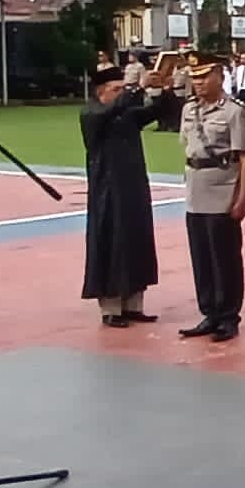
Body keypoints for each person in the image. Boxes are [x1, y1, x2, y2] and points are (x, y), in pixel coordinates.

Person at [80, 62, 172, 327]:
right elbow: (111, 112)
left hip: (133, 187)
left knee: (136, 240)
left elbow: (158, 112)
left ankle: (133, 304)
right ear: (101, 91)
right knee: (110, 243)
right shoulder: (91, 114)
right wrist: (137, 88)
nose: (121, 94)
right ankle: (110, 308)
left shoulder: (125, 113)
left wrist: (162, 88)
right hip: (107, 191)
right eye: (116, 89)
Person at [177, 52, 245, 341]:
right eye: (194, 77)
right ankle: (209, 311)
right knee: (201, 256)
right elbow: (188, 148)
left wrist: (243, 197)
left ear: (220, 76)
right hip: (196, 188)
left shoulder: (235, 111)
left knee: (225, 257)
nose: (197, 82)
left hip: (223, 188)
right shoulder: (189, 110)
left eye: (203, 76)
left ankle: (227, 316)